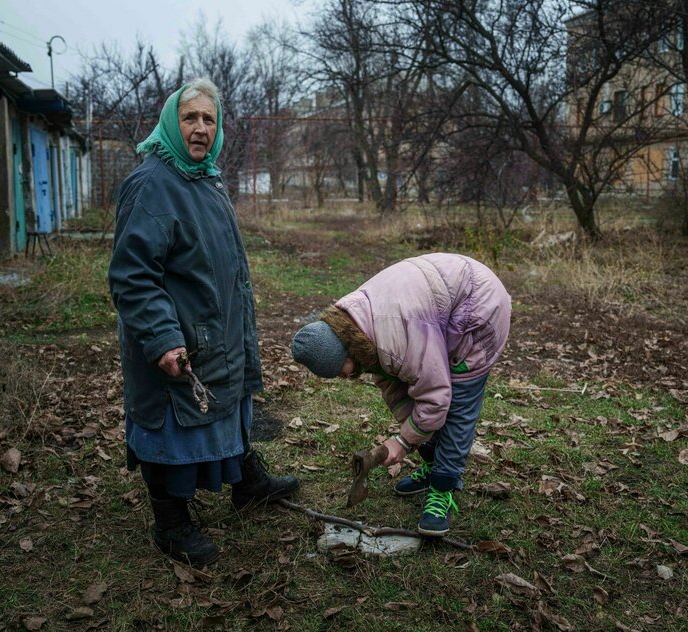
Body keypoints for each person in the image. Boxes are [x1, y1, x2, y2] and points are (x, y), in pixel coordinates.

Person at [108, 78, 299, 568]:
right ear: (172, 122)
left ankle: (245, 482)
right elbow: (132, 277)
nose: (199, 129)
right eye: (190, 118)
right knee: (170, 423)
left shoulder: (204, 178)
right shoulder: (152, 183)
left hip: (217, 333)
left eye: (209, 120)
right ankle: (170, 521)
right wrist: (163, 338)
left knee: (229, 404)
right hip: (180, 341)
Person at [291, 253, 511, 536]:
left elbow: (436, 398)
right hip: (437, 307)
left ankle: (443, 488)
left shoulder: (393, 338)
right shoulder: (359, 326)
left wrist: (403, 442)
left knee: (456, 406)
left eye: (338, 371)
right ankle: (434, 466)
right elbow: (395, 388)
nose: (342, 378)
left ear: (344, 350)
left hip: (479, 310)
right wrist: (413, 436)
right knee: (421, 395)